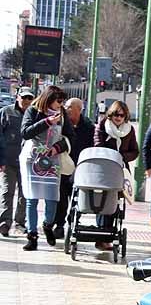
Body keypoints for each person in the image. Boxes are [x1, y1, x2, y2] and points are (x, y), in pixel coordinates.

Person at [19, 85, 70, 251]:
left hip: (52, 160)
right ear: (49, 99)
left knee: (52, 198)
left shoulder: (62, 115)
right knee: (31, 199)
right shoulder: (33, 111)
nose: (61, 105)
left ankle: (48, 225)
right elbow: (25, 132)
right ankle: (32, 235)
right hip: (32, 159)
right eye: (59, 101)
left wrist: (57, 147)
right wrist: (46, 122)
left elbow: (71, 136)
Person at [92, 100, 138, 250]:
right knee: (102, 201)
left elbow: (134, 151)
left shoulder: (129, 130)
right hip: (104, 169)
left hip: (121, 170)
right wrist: (112, 155)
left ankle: (109, 236)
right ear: (110, 114)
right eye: (116, 114)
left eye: (122, 115)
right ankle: (100, 236)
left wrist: (122, 156)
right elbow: (98, 145)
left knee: (115, 204)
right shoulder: (102, 126)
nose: (119, 118)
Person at [52, 97, 95, 240]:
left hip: (80, 168)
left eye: (70, 107)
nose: (67, 109)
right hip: (63, 166)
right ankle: (59, 225)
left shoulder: (88, 126)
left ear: (79, 110)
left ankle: (73, 221)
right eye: (66, 106)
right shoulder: (62, 123)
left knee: (77, 197)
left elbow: (92, 147)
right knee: (61, 197)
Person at [0, 87, 33, 237]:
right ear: (17, 97)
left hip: (27, 161)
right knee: (7, 192)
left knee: (24, 194)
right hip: (8, 160)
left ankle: (20, 222)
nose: (26, 101)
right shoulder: (6, 112)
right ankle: (4, 223)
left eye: (29, 98)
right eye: (24, 97)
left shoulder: (33, 114)